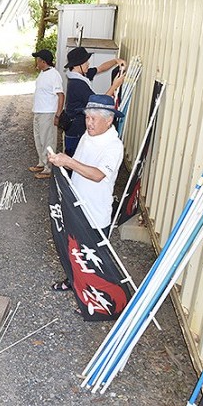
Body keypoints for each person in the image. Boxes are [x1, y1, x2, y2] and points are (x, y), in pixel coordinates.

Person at [48, 94, 124, 291]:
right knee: (74, 248)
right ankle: (73, 281)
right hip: (76, 206)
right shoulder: (87, 136)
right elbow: (77, 164)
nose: (89, 123)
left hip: (95, 212)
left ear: (109, 120)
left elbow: (98, 175)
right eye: (87, 117)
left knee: (94, 257)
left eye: (94, 119)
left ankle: (96, 293)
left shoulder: (113, 146)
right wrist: (60, 161)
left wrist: (69, 162)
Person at [63, 47, 126, 157]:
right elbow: (100, 105)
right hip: (76, 131)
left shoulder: (80, 75)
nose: (88, 64)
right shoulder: (77, 84)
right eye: (85, 62)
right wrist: (115, 85)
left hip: (76, 128)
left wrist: (116, 61)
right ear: (77, 65)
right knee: (75, 159)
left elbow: (100, 68)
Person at [29, 49, 64, 179]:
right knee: (39, 139)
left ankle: (49, 168)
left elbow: (61, 95)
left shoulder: (54, 75)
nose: (36, 62)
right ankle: (42, 163)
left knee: (48, 141)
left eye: (38, 60)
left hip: (48, 113)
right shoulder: (42, 73)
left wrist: (58, 115)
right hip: (38, 111)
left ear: (43, 61)